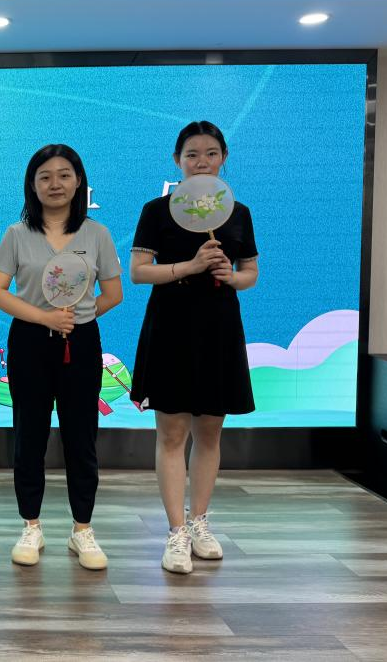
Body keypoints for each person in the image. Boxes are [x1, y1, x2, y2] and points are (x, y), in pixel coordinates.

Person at [128, 120, 259, 575]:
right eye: (191, 155)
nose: (201, 162)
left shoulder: (238, 212)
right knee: (171, 434)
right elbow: (139, 272)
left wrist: (231, 277)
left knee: (210, 432)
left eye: (210, 153)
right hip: (171, 325)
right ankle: (176, 531)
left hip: (219, 326)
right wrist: (190, 265)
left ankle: (200, 522)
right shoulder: (157, 210)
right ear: (177, 161)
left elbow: (250, 273)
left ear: (224, 158)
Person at [0, 144, 123, 570]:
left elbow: (113, 293)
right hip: (29, 341)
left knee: (81, 437)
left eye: (64, 175)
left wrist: (79, 317)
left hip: (80, 343)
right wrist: (44, 317)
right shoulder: (16, 234)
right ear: (32, 184)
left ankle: (82, 529)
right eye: (44, 176)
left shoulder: (97, 234)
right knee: (29, 436)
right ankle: (31, 525)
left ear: (79, 181)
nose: (55, 184)